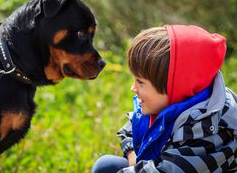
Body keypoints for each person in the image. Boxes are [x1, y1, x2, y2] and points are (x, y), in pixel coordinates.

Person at [92, 25, 237, 173]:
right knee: (106, 165)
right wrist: (132, 155)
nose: (133, 89)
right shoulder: (170, 102)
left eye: (140, 82)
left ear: (175, 86)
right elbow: (131, 130)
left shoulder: (210, 130)